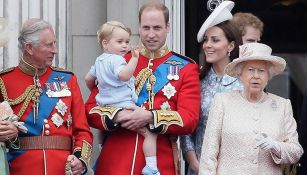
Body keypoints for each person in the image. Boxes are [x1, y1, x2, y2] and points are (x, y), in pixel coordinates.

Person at [85, 2, 201, 175]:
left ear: (168, 27)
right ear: (139, 27)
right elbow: (91, 110)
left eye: (157, 28)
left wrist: (149, 116)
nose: (151, 35)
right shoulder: (117, 60)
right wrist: (119, 115)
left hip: (158, 163)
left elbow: (189, 119)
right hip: (115, 161)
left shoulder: (185, 67)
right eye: (146, 28)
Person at [0, 18, 93, 175]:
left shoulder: (67, 79)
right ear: (29, 48)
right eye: (49, 45)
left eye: (55, 43)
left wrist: (80, 159)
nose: (55, 50)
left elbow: (82, 130)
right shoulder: (4, 81)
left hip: (63, 168)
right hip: (20, 167)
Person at [199, 42, 304, 175]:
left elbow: (296, 152)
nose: (256, 76)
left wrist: (276, 146)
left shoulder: (282, 106)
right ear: (240, 74)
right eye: (250, 70)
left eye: (261, 71)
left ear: (268, 76)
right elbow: (209, 154)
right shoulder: (223, 101)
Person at [84, 21, 160, 174]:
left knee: (103, 130)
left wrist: (100, 88)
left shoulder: (99, 60)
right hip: (123, 105)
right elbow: (124, 76)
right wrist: (134, 59)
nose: (125, 46)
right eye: (120, 42)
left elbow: (88, 79)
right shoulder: (118, 60)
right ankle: (151, 167)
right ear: (105, 43)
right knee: (149, 133)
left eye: (126, 41)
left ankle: (102, 147)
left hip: (105, 105)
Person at [180, 1, 242, 174]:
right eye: (206, 40)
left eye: (215, 40)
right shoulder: (196, 82)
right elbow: (186, 132)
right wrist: (197, 166)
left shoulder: (244, 84)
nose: (207, 45)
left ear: (230, 46)